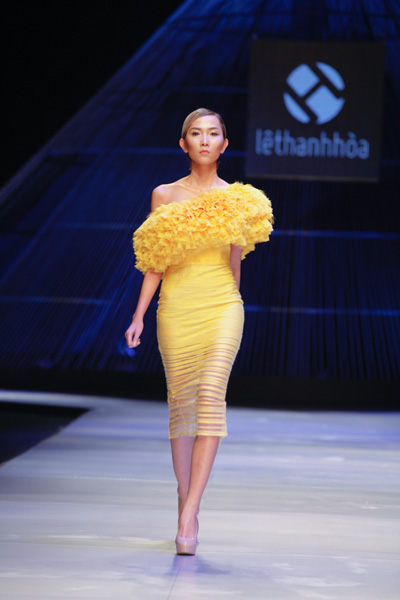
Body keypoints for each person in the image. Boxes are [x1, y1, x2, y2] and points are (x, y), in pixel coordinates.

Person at [125, 108, 273, 555]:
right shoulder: (164, 195)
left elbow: (234, 262)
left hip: (223, 305)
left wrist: (233, 303)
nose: (205, 140)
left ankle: (189, 512)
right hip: (176, 308)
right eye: (196, 133)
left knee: (210, 394)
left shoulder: (240, 200)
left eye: (213, 134)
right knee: (182, 406)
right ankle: (183, 496)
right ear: (183, 143)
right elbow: (157, 260)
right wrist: (138, 315)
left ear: (224, 144)